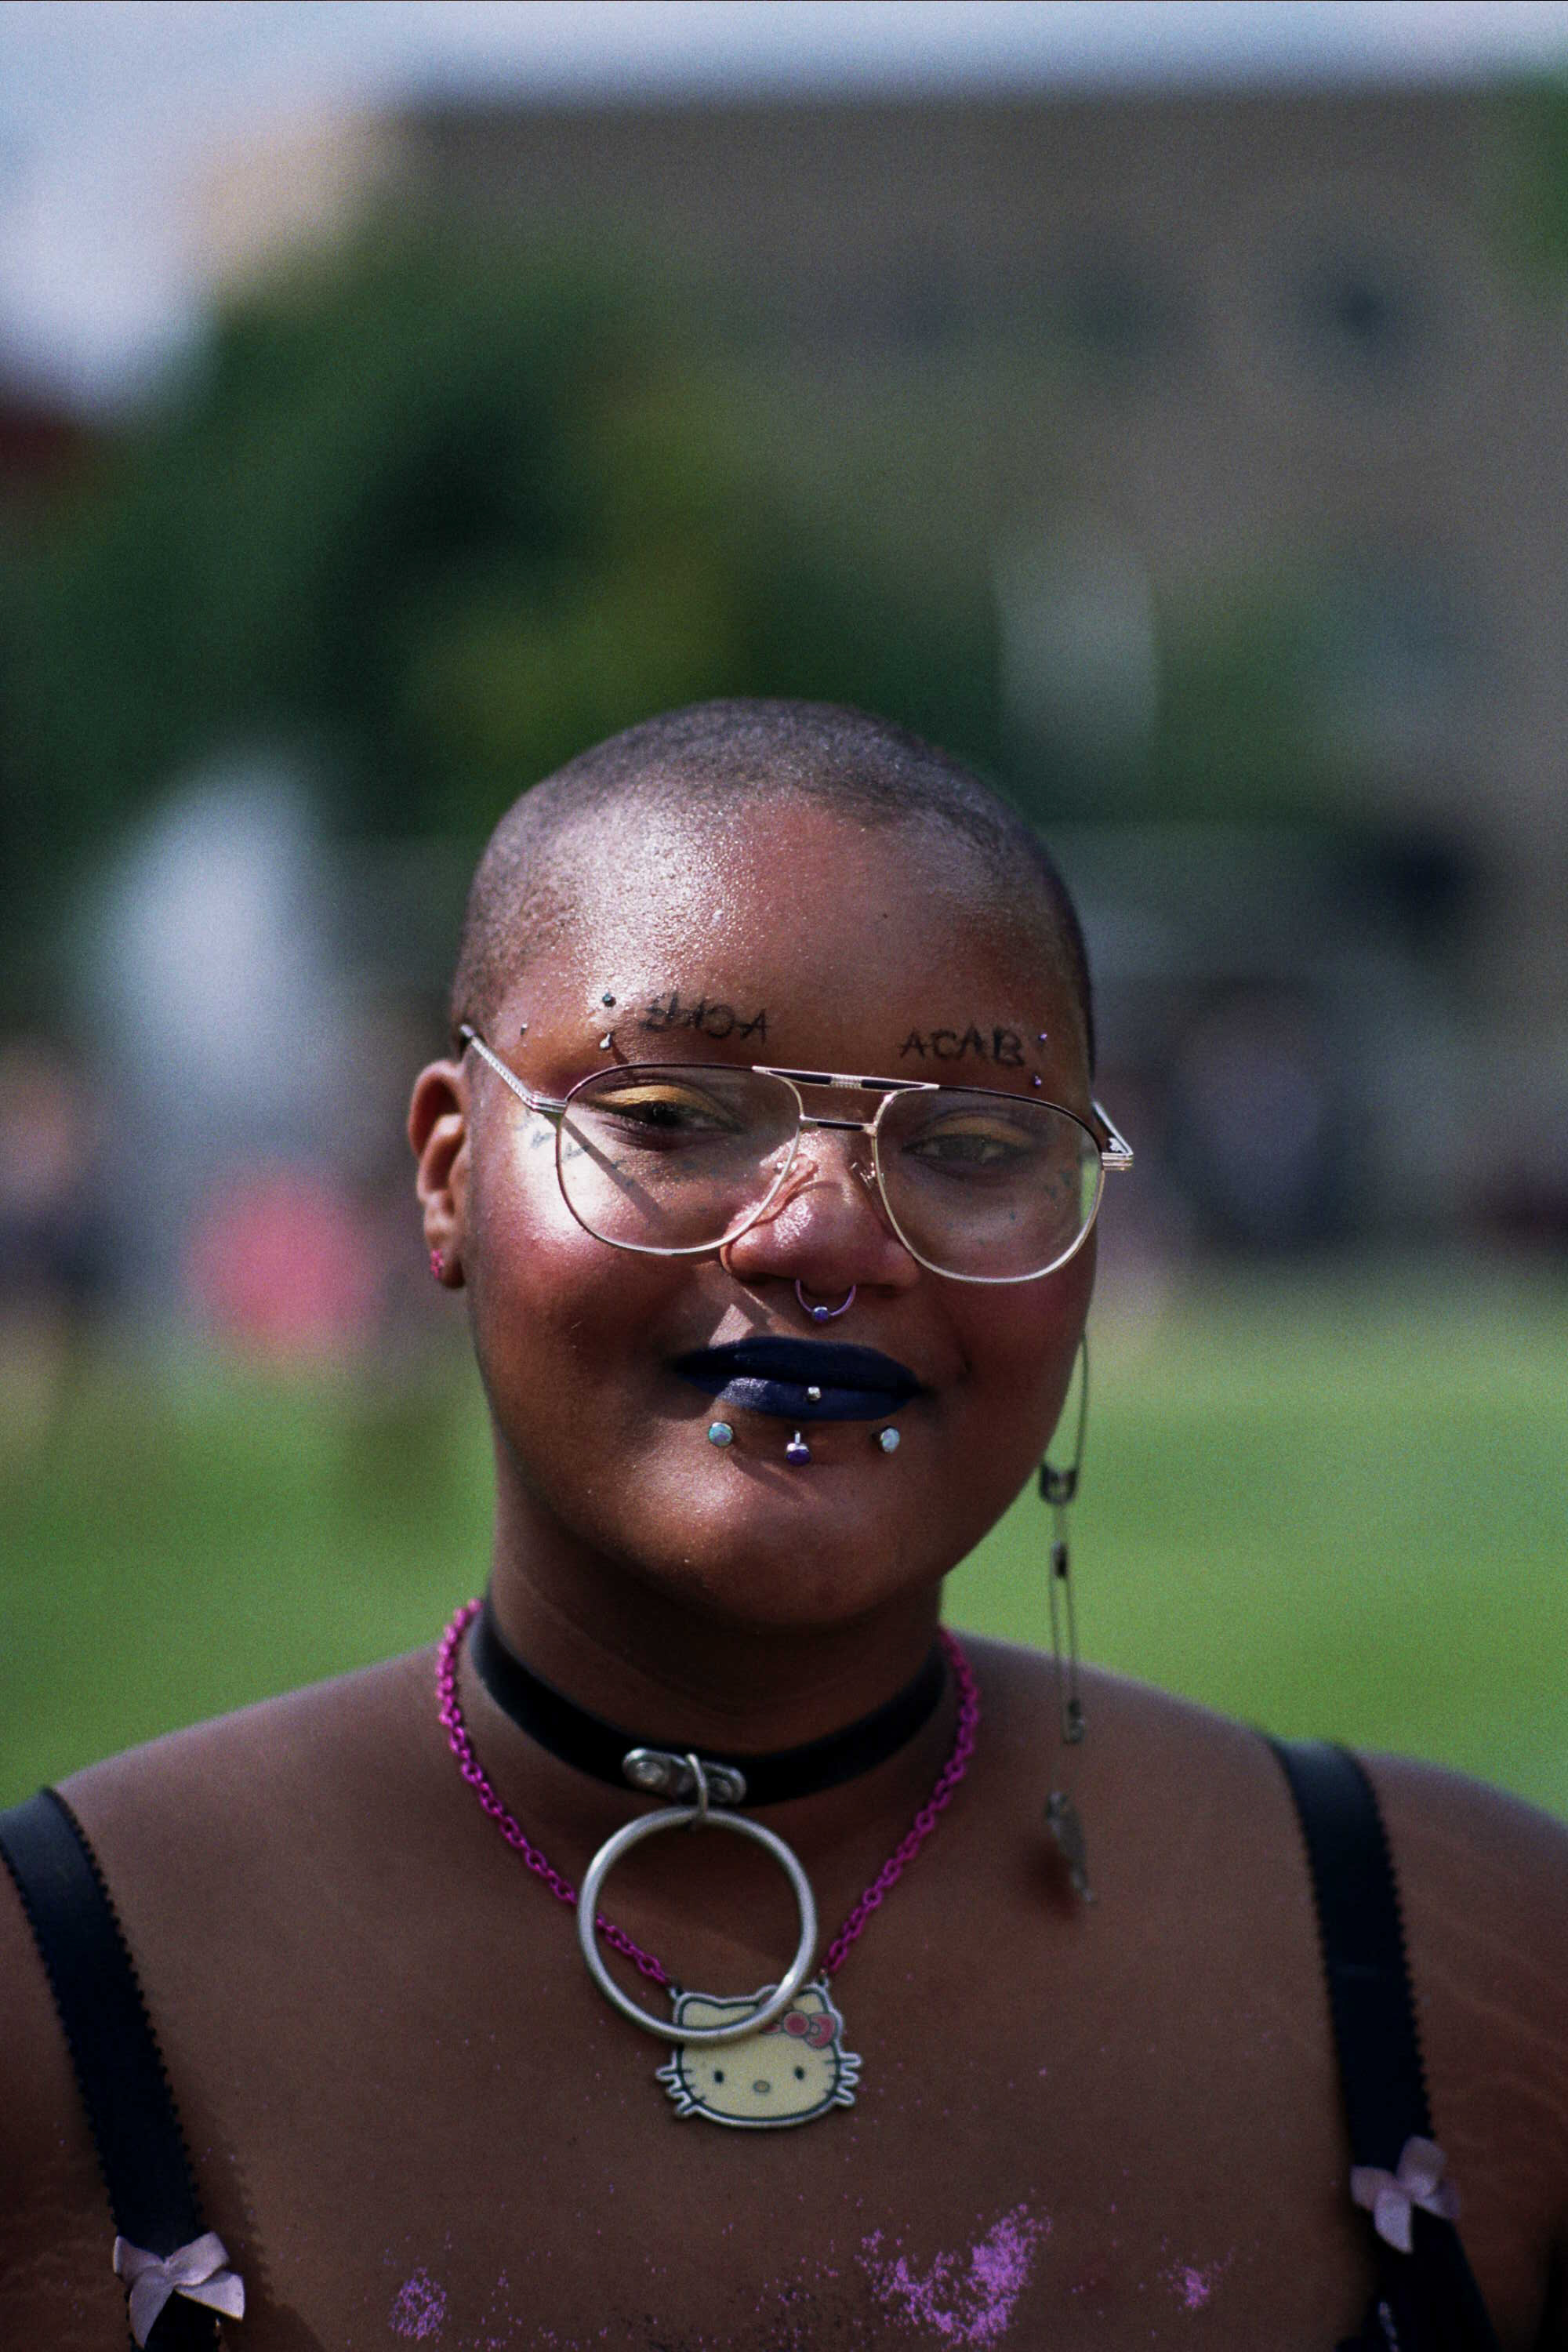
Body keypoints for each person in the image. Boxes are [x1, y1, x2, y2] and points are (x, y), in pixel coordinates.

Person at [2, 699, 1563, 2352]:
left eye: (967, 1141)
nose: (820, 1238)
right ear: (449, 1174)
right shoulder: (55, 2003)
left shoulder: (1472, 1972)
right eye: (670, 1116)